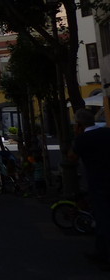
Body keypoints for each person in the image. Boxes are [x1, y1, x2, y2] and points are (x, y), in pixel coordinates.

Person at [70, 108, 110, 268]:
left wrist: (77, 138)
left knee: (104, 220)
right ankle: (100, 252)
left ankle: (105, 257)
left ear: (79, 125)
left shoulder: (83, 139)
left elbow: (72, 157)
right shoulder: (107, 132)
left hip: (98, 183)